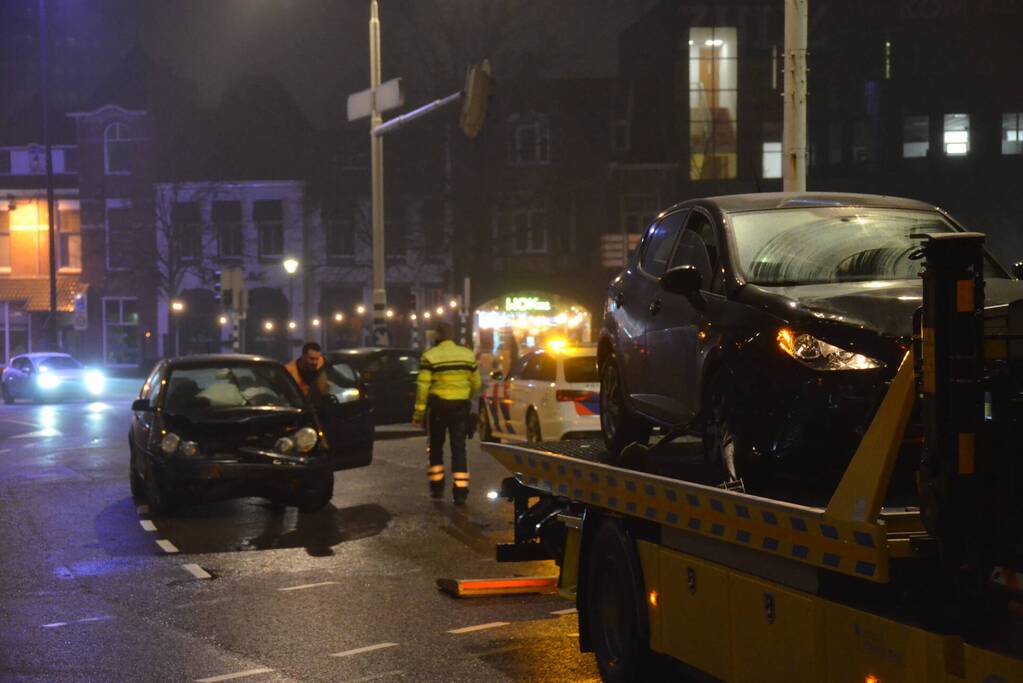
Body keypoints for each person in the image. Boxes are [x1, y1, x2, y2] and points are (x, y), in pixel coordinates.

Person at [413, 321, 481, 504]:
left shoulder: (429, 356)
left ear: (437, 336)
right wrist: (466, 396)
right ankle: (461, 492)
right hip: (460, 408)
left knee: (436, 448)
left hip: (438, 409)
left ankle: (437, 488)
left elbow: (422, 388)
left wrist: (418, 414)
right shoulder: (467, 355)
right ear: (452, 335)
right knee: (459, 448)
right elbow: (476, 384)